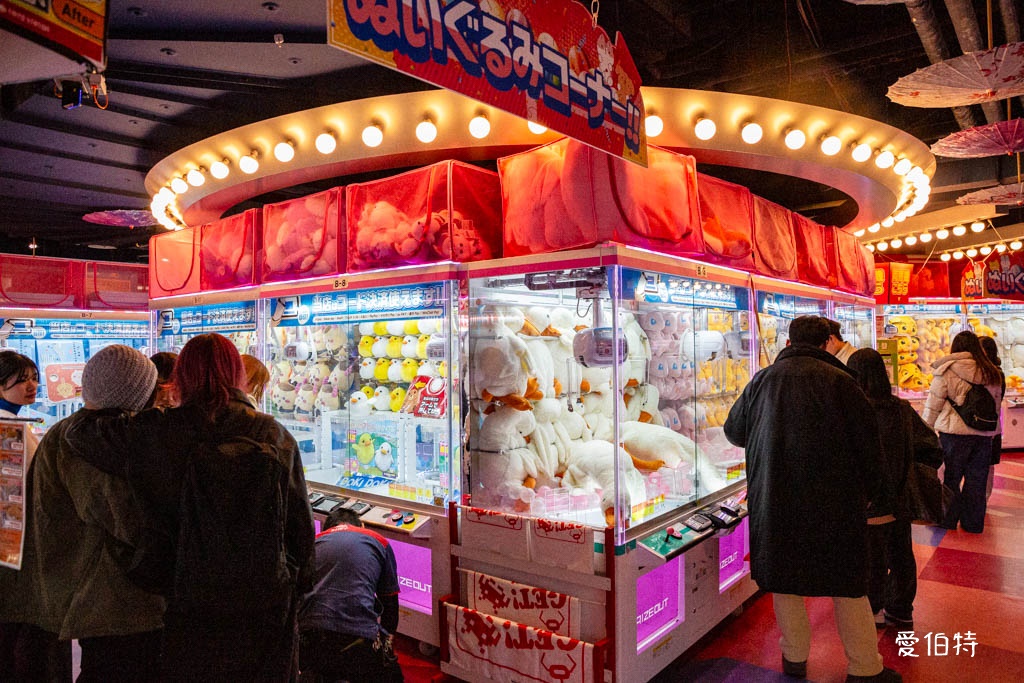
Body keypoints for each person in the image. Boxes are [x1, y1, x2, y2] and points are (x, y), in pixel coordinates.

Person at [63, 333, 315, 681]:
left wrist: (153, 398)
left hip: (186, 600)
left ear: (180, 377)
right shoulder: (273, 435)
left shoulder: (158, 431)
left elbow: (79, 432)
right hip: (263, 606)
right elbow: (301, 537)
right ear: (239, 375)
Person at [724, 316, 899, 682]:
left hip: (776, 500)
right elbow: (870, 448)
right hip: (834, 503)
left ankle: (794, 660)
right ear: (826, 344)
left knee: (786, 583)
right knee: (847, 586)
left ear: (789, 343)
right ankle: (865, 667)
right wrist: (879, 495)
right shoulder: (842, 382)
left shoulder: (762, 380)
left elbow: (734, 431)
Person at [26, 345, 165, 681]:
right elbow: (120, 516)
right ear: (138, 391)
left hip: (95, 593)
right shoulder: (94, 439)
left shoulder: (68, 432)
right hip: (110, 597)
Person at [848, 348, 941, 631]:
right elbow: (931, 448)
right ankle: (901, 610)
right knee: (901, 555)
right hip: (899, 499)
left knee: (871, 559)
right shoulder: (900, 410)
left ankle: (872, 609)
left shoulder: (851, 412)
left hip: (865, 502)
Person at [0, 351, 70, 682]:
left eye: (34, 377)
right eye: (22, 378)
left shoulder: (15, 422)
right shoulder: (8, 428)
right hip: (11, 549)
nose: (32, 385)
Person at [298, 507, 402, 683]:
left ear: (326, 529)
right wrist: (387, 644)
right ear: (360, 525)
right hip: (358, 637)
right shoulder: (378, 541)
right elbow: (390, 600)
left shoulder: (313, 543)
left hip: (310, 636)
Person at [921, 330, 1002, 533]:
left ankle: (948, 519)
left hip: (953, 435)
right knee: (977, 481)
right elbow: (996, 404)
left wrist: (924, 430)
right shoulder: (991, 371)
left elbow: (934, 405)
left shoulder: (947, 370)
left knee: (950, 478)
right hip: (982, 436)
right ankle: (973, 523)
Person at [978, 335, 1005, 502]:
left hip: (989, 426)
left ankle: (983, 498)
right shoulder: (983, 372)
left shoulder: (995, 374)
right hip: (986, 426)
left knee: (987, 465)